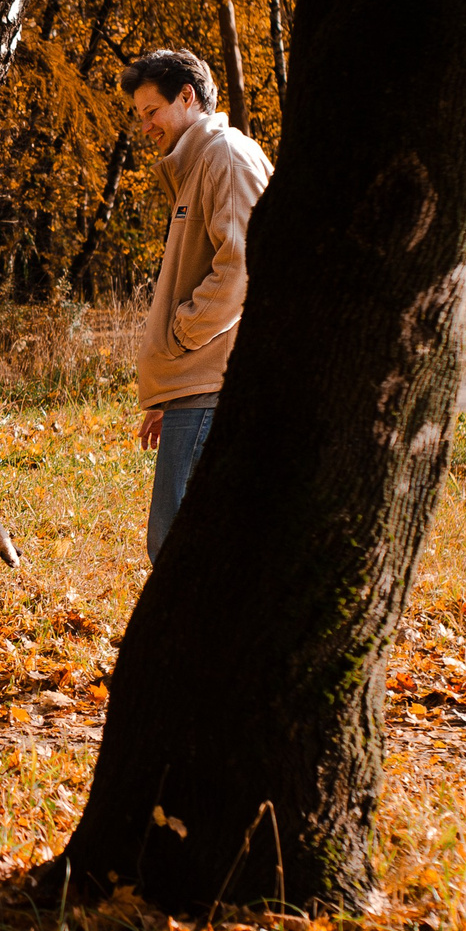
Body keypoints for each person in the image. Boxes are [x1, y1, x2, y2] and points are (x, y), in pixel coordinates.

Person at [123, 49, 272, 561]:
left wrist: (181, 341)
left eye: (152, 111)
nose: (145, 126)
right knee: (192, 547)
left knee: (177, 549)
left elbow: (244, 265)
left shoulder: (225, 156)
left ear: (187, 96)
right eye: (140, 115)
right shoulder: (199, 163)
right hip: (199, 385)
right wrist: (171, 388)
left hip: (213, 384)